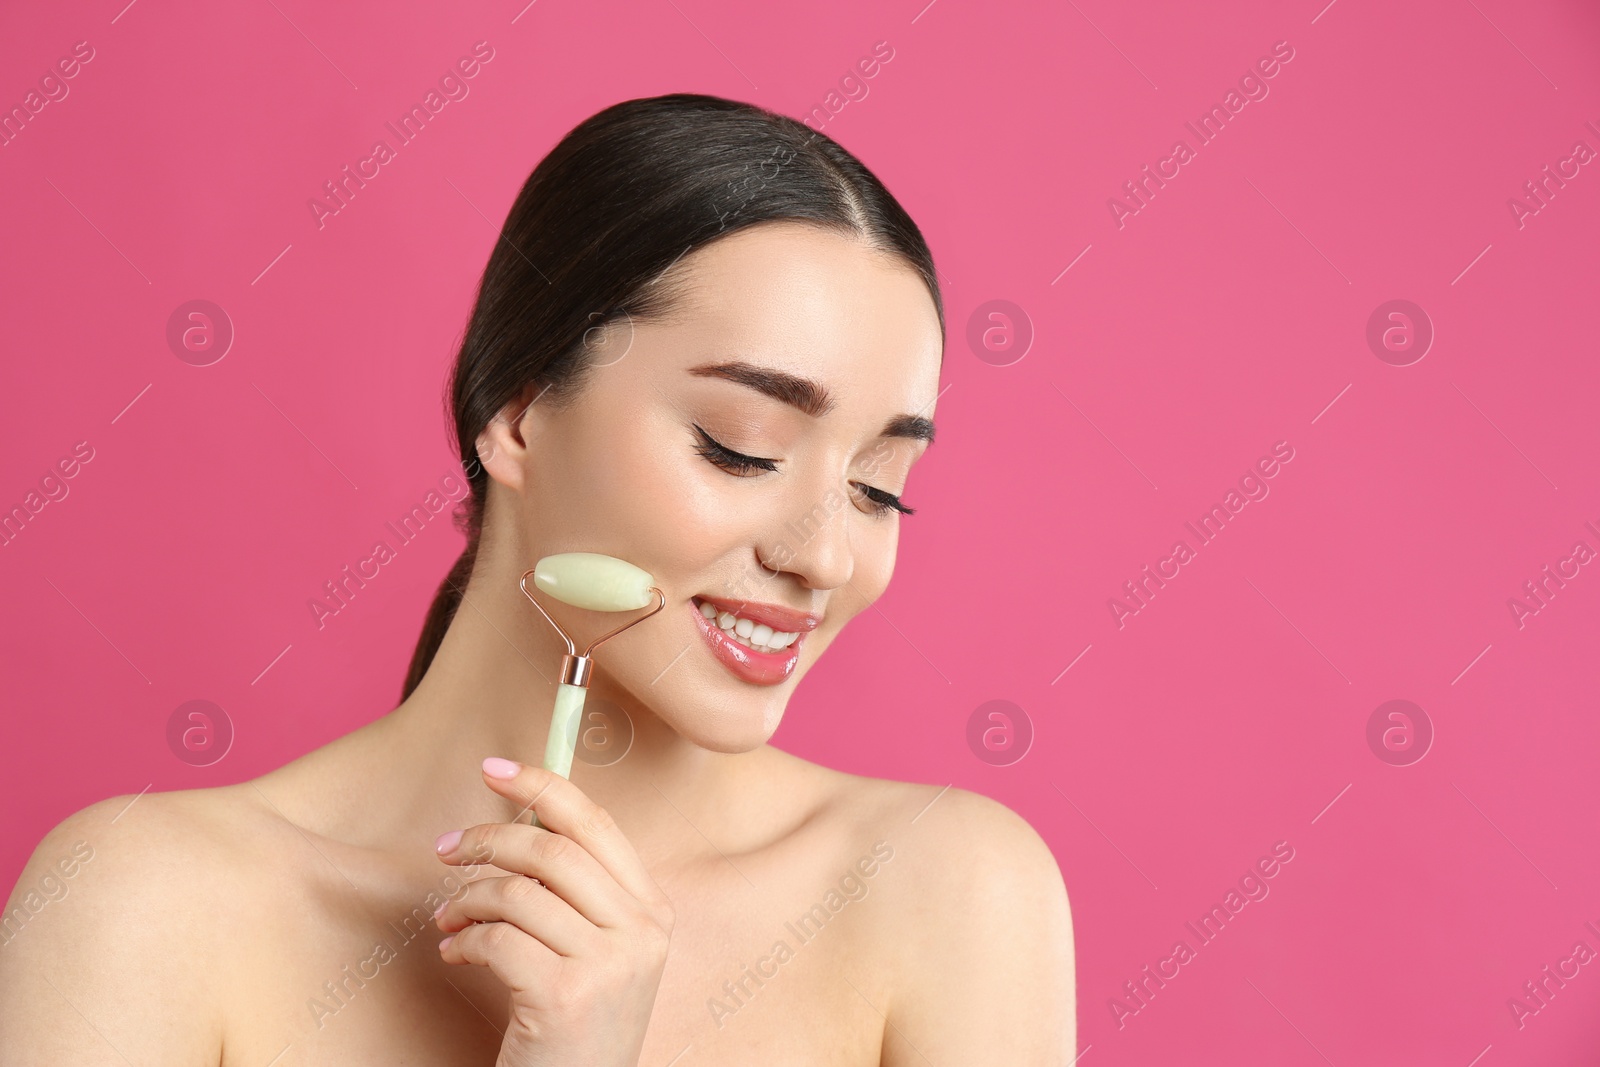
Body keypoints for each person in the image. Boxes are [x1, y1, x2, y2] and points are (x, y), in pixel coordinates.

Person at [0, 93, 1075, 1065]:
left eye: (882, 485)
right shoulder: (140, 907)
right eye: (741, 446)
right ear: (516, 412)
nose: (824, 556)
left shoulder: (948, 893)